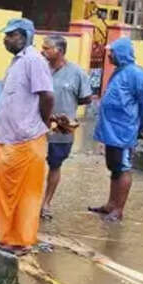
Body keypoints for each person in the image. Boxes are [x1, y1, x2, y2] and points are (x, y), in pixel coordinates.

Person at [0, 18, 54, 254]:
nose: (6, 39)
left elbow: (47, 96)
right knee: (1, 191)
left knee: (20, 196)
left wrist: (42, 125)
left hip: (26, 139)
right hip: (5, 138)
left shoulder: (34, 60)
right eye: (6, 35)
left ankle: (16, 240)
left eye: (12, 35)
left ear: (25, 36)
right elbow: (6, 102)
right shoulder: (16, 62)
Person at [89, 37, 143, 222]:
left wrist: (140, 127)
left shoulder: (137, 74)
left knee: (123, 167)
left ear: (122, 53)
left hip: (124, 130)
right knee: (114, 166)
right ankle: (110, 204)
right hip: (110, 131)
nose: (109, 56)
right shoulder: (119, 72)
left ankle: (118, 209)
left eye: (112, 53)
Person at [39, 34, 92, 220]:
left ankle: (46, 203)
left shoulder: (77, 73)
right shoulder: (39, 68)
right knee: (33, 164)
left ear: (59, 51)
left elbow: (86, 97)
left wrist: (67, 109)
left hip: (61, 129)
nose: (42, 51)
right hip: (36, 127)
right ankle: (28, 201)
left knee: (55, 164)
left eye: (47, 48)